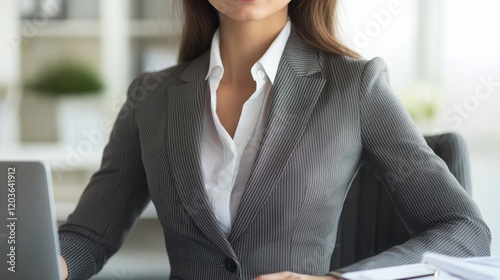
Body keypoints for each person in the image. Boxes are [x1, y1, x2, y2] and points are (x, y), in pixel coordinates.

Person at [58, 0, 491, 279]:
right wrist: (40, 262)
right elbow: (88, 236)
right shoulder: (149, 98)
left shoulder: (355, 86)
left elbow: (465, 230)